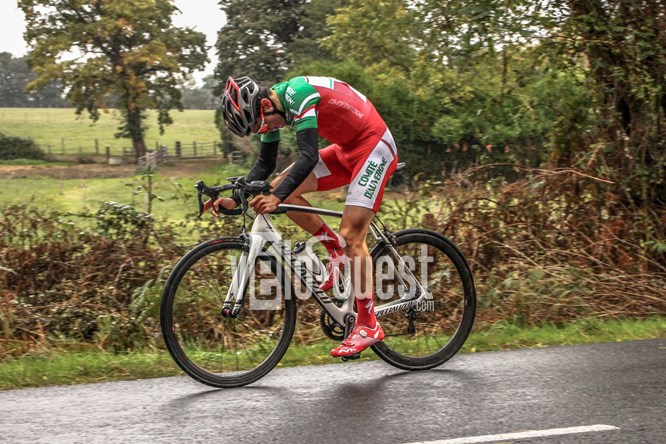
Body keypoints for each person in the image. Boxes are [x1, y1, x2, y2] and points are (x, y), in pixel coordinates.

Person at [215, 75, 398, 357]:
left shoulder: (298, 94)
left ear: (265, 105)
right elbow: (265, 163)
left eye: (262, 125)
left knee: (352, 236)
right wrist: (235, 199)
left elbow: (309, 155)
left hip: (373, 147)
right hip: (345, 150)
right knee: (282, 187)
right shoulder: (272, 107)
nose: (266, 130)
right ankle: (334, 249)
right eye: (259, 130)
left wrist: (275, 198)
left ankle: (368, 325)